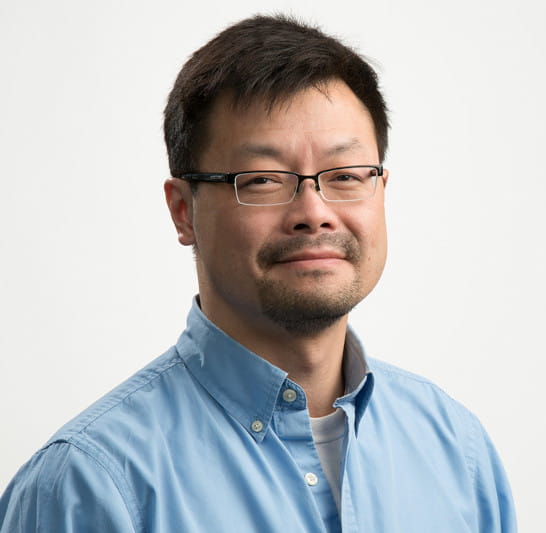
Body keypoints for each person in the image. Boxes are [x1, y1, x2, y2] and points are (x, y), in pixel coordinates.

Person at [0, 14, 516, 532]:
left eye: (345, 176)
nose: (314, 211)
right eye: (264, 179)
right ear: (183, 211)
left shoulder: (457, 452)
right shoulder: (91, 486)